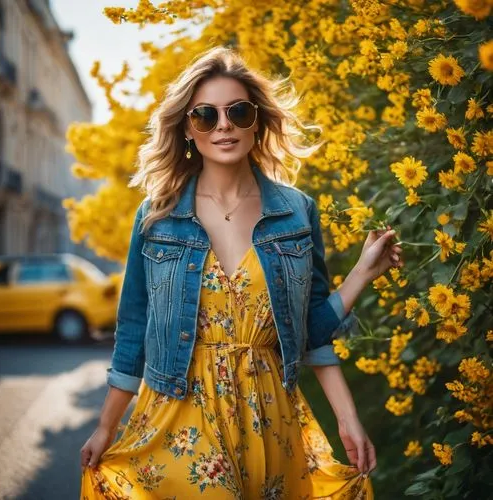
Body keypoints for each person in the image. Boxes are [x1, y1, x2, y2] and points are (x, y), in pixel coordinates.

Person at [80, 45, 404, 499]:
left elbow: (310, 330)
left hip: (270, 416)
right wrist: (105, 426)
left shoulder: (296, 212)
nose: (224, 125)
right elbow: (134, 328)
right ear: (188, 130)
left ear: (259, 121)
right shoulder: (156, 217)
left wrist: (361, 277)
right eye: (206, 116)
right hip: (179, 409)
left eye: (238, 111)